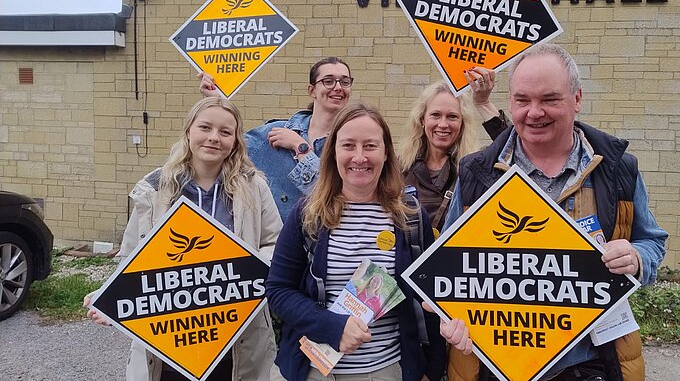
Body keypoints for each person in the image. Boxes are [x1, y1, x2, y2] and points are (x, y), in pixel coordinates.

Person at [440, 43, 668, 381]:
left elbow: (652, 243)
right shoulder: (478, 172)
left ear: (577, 99)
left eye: (549, 99)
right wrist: (448, 311)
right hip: (496, 363)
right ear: (510, 102)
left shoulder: (618, 169)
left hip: (590, 361)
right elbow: (447, 261)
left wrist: (636, 257)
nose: (534, 112)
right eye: (522, 100)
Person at [85, 97, 283, 381]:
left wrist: (238, 276)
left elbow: (274, 244)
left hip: (237, 337)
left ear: (236, 141)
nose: (214, 138)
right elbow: (132, 257)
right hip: (169, 340)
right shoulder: (153, 188)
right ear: (189, 131)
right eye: (205, 127)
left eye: (225, 132)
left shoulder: (254, 187)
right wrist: (112, 301)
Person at [266, 103, 447, 381]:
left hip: (386, 371)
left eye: (370, 146)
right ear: (333, 152)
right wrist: (332, 326)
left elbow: (427, 297)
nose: (359, 157)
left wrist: (432, 369)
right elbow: (279, 290)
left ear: (386, 153)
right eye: (348, 145)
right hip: (314, 371)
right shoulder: (308, 214)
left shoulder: (410, 216)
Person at [199, 57, 353, 222]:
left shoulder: (353, 145)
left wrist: (300, 147)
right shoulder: (274, 134)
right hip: (275, 245)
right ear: (312, 90)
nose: (338, 87)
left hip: (329, 244)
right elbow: (229, 148)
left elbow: (332, 198)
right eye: (328, 81)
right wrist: (216, 101)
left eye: (345, 82)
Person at [398, 81, 480, 232]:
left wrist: (484, 103)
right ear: (422, 120)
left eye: (452, 117)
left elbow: (514, 149)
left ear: (462, 123)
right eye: (435, 115)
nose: (443, 124)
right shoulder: (399, 168)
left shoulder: (476, 170)